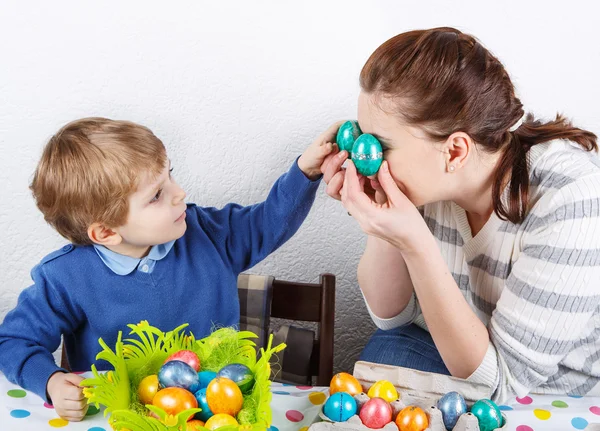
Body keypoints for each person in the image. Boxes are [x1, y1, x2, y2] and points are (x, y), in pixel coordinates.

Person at [320, 27, 600, 403]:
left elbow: (501, 384)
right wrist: (383, 222)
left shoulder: (571, 198)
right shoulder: (425, 178)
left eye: (379, 146)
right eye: (361, 136)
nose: (363, 155)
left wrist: (415, 244)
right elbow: (391, 316)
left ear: (455, 152)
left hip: (555, 389)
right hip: (458, 347)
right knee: (382, 357)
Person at [0, 117, 339, 421]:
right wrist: (51, 381)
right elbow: (14, 341)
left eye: (170, 175)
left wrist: (305, 172)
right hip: (118, 420)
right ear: (106, 232)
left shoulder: (207, 233)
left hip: (217, 414)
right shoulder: (64, 277)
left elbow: (268, 222)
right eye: (157, 195)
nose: (180, 194)